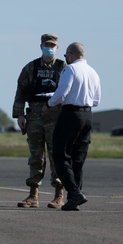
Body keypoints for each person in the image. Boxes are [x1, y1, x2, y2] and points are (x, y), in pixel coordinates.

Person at [11, 33, 66, 209]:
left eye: (52, 45)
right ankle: (33, 195)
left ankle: (59, 194)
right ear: (41, 46)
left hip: (56, 117)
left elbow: (69, 92)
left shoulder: (63, 67)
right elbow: (20, 92)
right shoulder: (31, 68)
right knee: (36, 156)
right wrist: (19, 114)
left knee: (56, 155)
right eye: (46, 45)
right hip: (34, 116)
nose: (49, 48)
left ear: (57, 48)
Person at [47, 42, 101, 211]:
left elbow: (62, 93)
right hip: (87, 115)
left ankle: (74, 193)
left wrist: (48, 104)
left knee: (60, 155)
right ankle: (74, 197)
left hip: (71, 114)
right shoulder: (93, 72)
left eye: (66, 56)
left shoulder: (70, 70)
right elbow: (97, 100)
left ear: (70, 54)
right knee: (78, 157)